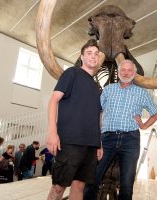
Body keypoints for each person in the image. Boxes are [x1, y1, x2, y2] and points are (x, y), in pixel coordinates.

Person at [84, 59, 157, 200]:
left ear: (134, 73)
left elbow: (156, 112)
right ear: (119, 72)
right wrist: (97, 138)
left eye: (129, 70)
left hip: (130, 140)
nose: (126, 73)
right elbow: (98, 112)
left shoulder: (141, 93)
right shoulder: (108, 90)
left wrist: (144, 125)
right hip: (107, 138)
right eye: (123, 70)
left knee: (127, 184)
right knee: (93, 178)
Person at [47, 39, 102, 200]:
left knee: (79, 186)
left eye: (96, 54)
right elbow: (53, 100)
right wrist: (52, 132)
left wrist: (99, 144)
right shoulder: (71, 73)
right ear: (82, 57)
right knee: (58, 187)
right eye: (89, 53)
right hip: (70, 141)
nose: (93, 56)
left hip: (91, 145)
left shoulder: (96, 87)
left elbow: (97, 117)